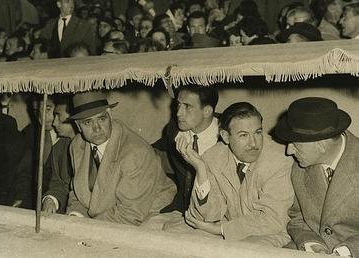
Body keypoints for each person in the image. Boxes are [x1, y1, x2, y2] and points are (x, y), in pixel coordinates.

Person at [179, 102, 293, 247]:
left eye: (258, 133)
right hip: (228, 231)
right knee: (185, 244)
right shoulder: (213, 156)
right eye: (243, 135)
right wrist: (201, 170)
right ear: (226, 136)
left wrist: (219, 229)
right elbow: (206, 216)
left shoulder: (279, 159)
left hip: (268, 234)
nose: (253, 143)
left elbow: (273, 220)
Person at [66, 91, 176, 225]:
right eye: (88, 122)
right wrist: (75, 215)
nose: (97, 129)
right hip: (103, 218)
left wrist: (87, 226)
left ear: (110, 114)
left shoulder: (135, 153)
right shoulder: (77, 145)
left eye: (101, 119)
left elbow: (130, 214)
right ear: (78, 126)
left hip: (150, 215)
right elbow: (78, 193)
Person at [274, 97, 359, 256]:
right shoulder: (300, 167)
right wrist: (312, 244)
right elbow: (298, 218)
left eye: (295, 144)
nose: (289, 151)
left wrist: (346, 251)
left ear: (321, 144)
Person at [153, 84, 220, 217]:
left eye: (187, 107)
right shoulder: (174, 129)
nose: (178, 113)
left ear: (207, 111)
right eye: (178, 105)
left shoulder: (227, 135)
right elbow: (159, 147)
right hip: (181, 207)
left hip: (216, 212)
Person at [41, 95, 76, 214]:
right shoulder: (58, 148)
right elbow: (58, 183)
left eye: (58, 116)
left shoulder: (93, 148)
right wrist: (50, 199)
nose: (54, 123)